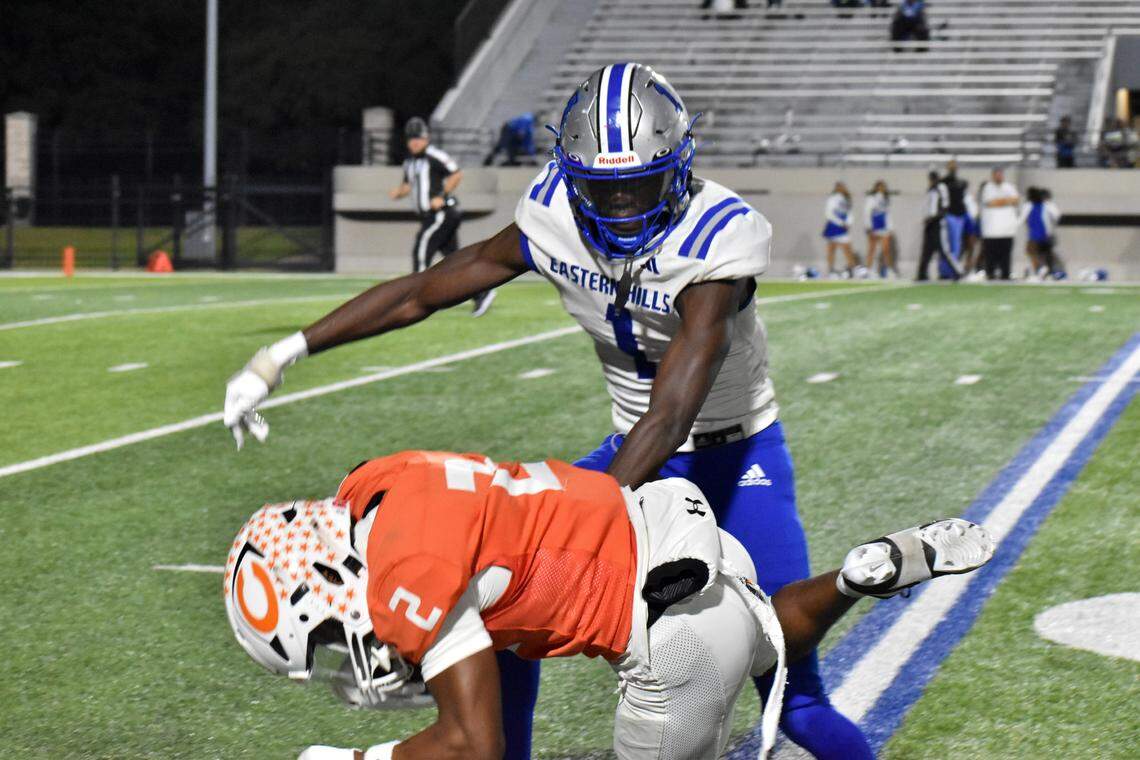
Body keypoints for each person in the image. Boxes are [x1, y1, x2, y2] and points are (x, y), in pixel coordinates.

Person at [223, 63, 876, 759]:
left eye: (639, 186)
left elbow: (672, 414)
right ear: (572, 177)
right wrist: (284, 352)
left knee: (792, 691)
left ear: (679, 170)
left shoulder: (717, 237)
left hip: (733, 454)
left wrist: (579, 516)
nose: (622, 207)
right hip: (633, 442)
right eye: (604, 189)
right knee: (497, 611)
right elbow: (425, 291)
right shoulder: (554, 215)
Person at [223, 450, 996, 760]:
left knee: (725, 640)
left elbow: (474, 747)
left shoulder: (404, 575)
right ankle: (854, 578)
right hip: (678, 533)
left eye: (323, 630)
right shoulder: (381, 482)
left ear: (315, 578)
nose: (342, 641)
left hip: (672, 639)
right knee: (762, 628)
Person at [390, 117, 495, 316]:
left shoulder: (434, 155)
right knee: (454, 263)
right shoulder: (409, 163)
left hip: (442, 213)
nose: (414, 142)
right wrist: (398, 192)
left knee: (421, 248)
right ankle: (482, 293)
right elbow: (408, 185)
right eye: (411, 139)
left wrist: (441, 196)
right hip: (433, 215)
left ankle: (415, 299)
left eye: (418, 138)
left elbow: (456, 174)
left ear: (426, 138)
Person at [978, 166, 1020, 281]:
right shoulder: (988, 188)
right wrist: (1007, 200)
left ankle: (1006, 274)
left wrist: (1000, 201)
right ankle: (990, 273)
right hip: (991, 230)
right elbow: (990, 203)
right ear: (993, 175)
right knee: (991, 254)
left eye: (1000, 174)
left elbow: (1016, 200)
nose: (999, 176)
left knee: (1006, 254)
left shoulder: (1009, 187)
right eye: (997, 174)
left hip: (1007, 229)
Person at [1020, 187, 1063, 279]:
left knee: (1031, 251)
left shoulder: (1030, 205)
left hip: (1036, 235)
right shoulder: (1047, 205)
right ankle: (1050, 272)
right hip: (1047, 235)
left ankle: (1040, 270)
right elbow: (1057, 217)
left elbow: (1022, 219)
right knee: (1046, 254)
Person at [916, 170, 950, 281]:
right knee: (926, 250)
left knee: (944, 251)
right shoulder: (930, 190)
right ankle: (921, 274)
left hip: (938, 223)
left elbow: (945, 206)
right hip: (930, 223)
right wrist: (926, 218)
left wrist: (934, 218)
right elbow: (928, 207)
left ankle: (957, 272)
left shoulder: (941, 188)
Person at [939, 160, 969, 279]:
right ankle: (944, 271)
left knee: (956, 245)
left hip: (959, 215)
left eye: (954, 166)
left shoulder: (961, 182)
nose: (953, 168)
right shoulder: (943, 182)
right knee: (946, 245)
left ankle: (953, 270)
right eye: (951, 166)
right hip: (949, 215)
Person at [823, 182, 858, 277]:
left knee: (848, 249)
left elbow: (849, 213)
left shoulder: (847, 200)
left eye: (843, 187)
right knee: (831, 249)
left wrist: (848, 223)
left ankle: (852, 270)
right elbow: (829, 214)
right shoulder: (832, 199)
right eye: (840, 187)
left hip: (843, 228)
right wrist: (840, 223)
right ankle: (830, 270)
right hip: (834, 226)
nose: (842, 189)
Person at [863, 180, 896, 278]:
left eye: (883, 187)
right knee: (872, 249)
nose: (882, 189)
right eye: (880, 187)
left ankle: (889, 270)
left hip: (884, 227)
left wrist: (890, 227)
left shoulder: (886, 199)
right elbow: (867, 212)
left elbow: (888, 214)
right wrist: (868, 227)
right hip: (874, 226)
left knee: (886, 249)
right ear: (876, 187)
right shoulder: (871, 198)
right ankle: (869, 270)